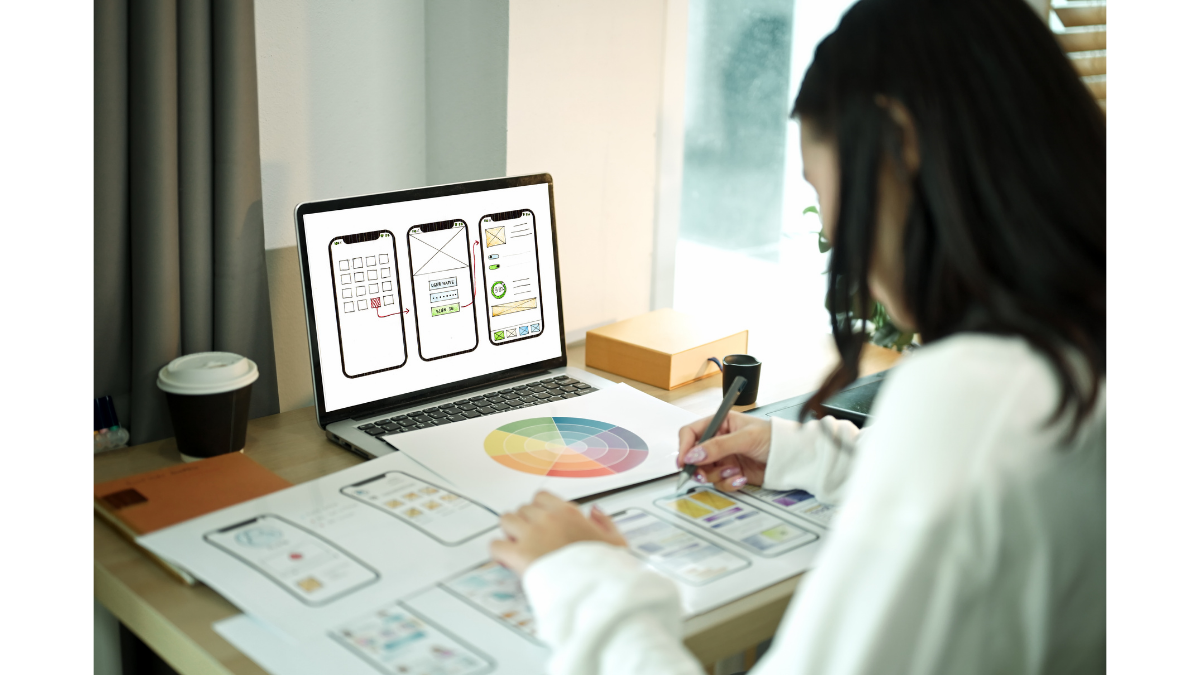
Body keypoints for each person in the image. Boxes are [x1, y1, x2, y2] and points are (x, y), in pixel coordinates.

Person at [489, 0, 1107, 672]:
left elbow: (969, 464)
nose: (833, 235)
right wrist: (802, 454)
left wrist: (584, 578)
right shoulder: (1066, 352)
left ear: (897, 143)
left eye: (823, 186)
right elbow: (986, 513)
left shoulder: (974, 399)